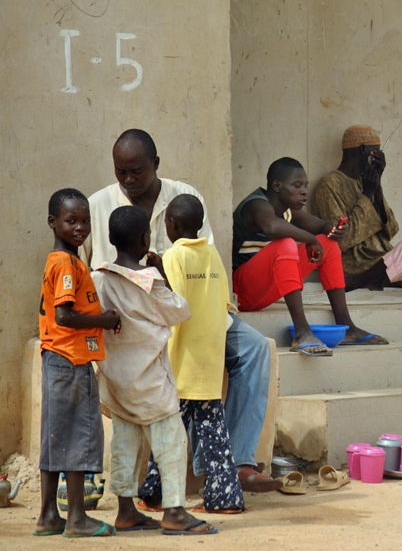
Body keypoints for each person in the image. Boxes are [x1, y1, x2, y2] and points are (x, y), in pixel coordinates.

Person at [85, 129, 279, 492]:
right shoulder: (97, 206)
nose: (129, 181)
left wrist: (217, 314)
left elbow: (208, 262)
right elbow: (84, 272)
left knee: (254, 348)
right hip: (131, 323)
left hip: (190, 313)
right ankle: (155, 485)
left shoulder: (186, 198)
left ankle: (240, 463)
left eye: (137, 171)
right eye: (121, 172)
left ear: (156, 164)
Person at [92, 206, 217, 535]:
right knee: (171, 443)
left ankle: (125, 510)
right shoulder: (149, 283)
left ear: (110, 239)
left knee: (124, 444)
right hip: (150, 382)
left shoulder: (99, 279)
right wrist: (161, 272)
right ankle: (175, 511)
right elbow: (179, 311)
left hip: (116, 381)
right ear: (145, 239)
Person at [137, 195, 245, 514]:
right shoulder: (212, 254)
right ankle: (225, 496)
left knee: (168, 431)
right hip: (209, 361)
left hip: (180, 363)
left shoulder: (174, 256)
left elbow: (174, 304)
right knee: (213, 433)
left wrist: (157, 268)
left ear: (172, 225)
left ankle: (156, 494)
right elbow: (224, 303)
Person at [233, 156, 387, 353]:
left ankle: (346, 326)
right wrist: (310, 239)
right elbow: (272, 227)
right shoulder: (256, 204)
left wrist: (332, 227)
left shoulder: (288, 210)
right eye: (297, 186)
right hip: (243, 293)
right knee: (286, 243)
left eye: (305, 185)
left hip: (267, 290)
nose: (304, 191)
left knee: (328, 243)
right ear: (277, 186)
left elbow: (319, 225)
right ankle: (302, 331)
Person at [35, 189, 121, 538]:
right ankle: (77, 518)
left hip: (55, 357)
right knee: (79, 437)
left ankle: (47, 516)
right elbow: (65, 315)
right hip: (71, 358)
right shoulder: (67, 264)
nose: (80, 227)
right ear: (53, 223)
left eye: (85, 220)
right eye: (71, 221)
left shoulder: (60, 260)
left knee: (55, 438)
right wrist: (104, 320)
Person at [310, 125, 402, 292]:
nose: (379, 156)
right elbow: (342, 241)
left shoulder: (364, 181)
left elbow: (390, 230)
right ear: (363, 150)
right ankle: (367, 280)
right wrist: (367, 193)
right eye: (376, 151)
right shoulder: (329, 185)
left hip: (383, 258)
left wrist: (377, 187)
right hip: (359, 265)